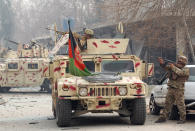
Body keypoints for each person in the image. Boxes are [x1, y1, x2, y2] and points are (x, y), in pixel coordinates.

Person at [155, 55, 189, 124]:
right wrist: (162, 63)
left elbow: (180, 73)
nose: (179, 62)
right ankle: (163, 118)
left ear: (184, 63)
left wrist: (173, 66)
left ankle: (183, 118)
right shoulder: (174, 67)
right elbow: (166, 67)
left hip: (179, 89)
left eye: (181, 61)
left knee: (180, 104)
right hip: (171, 88)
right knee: (167, 104)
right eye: (178, 61)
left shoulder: (186, 69)